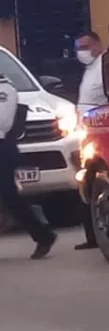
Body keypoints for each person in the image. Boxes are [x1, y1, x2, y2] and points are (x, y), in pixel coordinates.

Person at [72, 30, 109, 251]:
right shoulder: (90, 70)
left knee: (97, 183)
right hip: (84, 133)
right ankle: (92, 236)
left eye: (85, 46)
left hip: (100, 135)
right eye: (78, 48)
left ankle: (99, 234)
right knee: (84, 183)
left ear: (97, 45)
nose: (81, 52)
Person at [0, 70, 56, 258]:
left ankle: (43, 235)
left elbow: (3, 122)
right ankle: (43, 235)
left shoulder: (5, 89)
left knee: (11, 198)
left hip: (2, 148)